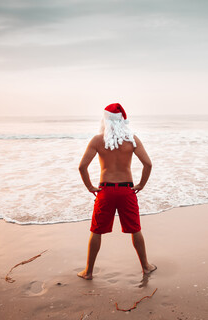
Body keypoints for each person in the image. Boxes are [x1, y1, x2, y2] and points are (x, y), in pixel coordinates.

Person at [77, 103, 156, 280]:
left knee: (96, 231)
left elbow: (82, 167)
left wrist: (90, 187)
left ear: (105, 120)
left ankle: (88, 272)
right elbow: (148, 164)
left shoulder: (98, 140)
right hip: (127, 190)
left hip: (105, 191)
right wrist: (141, 184)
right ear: (122, 121)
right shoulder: (132, 140)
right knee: (135, 229)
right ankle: (146, 266)